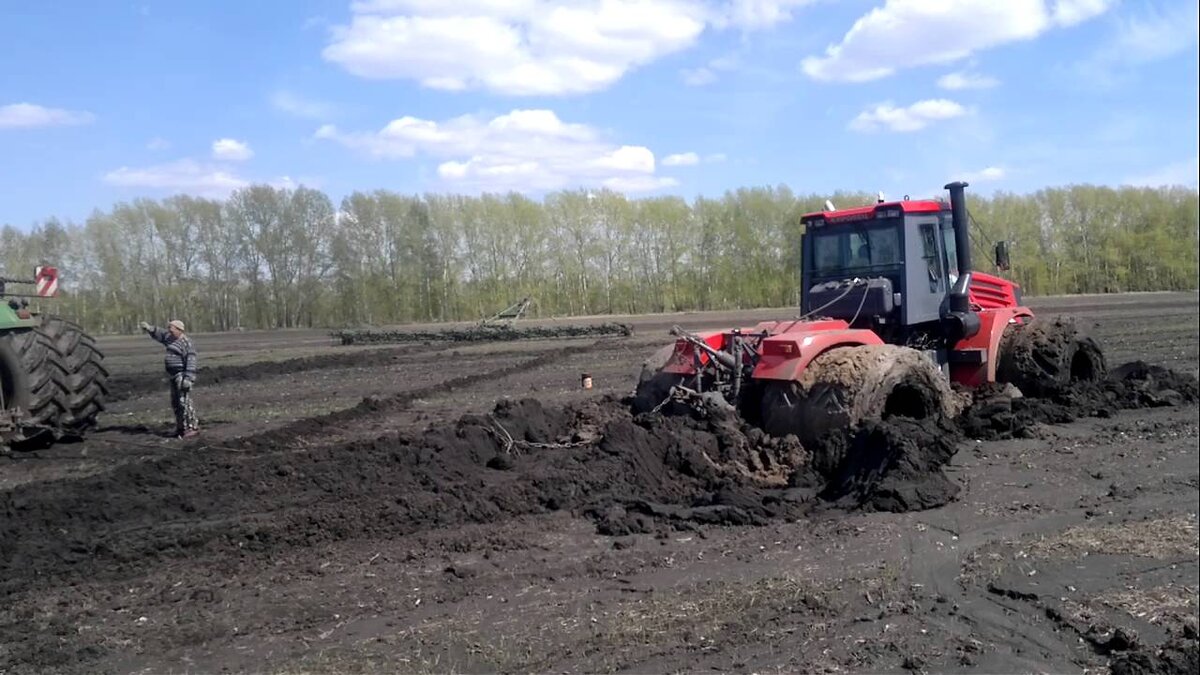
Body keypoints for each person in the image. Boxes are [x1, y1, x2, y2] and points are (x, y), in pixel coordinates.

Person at [138, 319, 199, 438]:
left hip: (182, 376)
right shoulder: (170, 339)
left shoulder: (186, 343)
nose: (169, 331)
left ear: (179, 330)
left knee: (184, 402)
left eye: (171, 329)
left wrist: (188, 378)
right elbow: (160, 334)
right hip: (172, 375)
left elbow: (191, 361)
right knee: (175, 403)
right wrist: (150, 329)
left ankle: (192, 427)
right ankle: (180, 427)